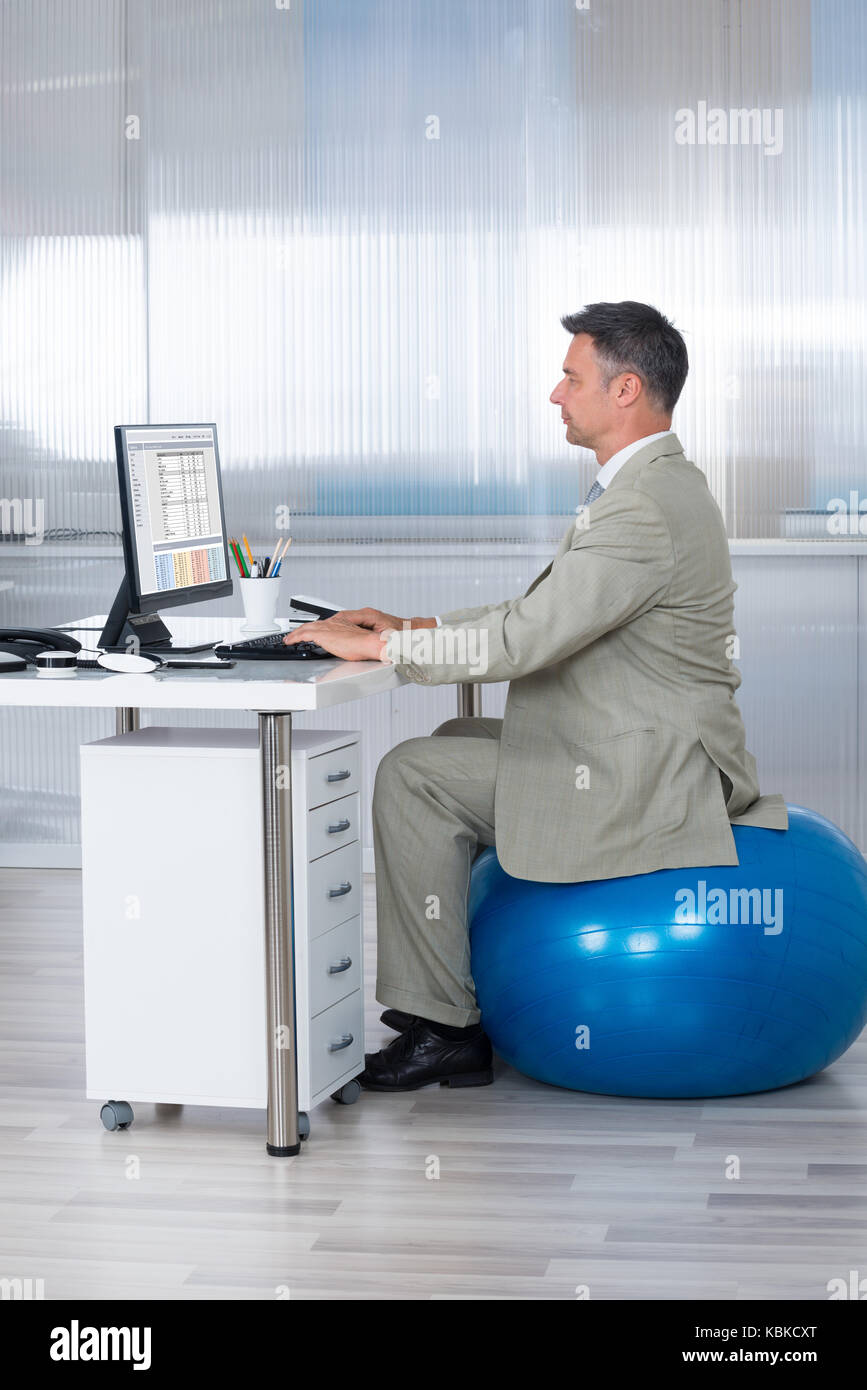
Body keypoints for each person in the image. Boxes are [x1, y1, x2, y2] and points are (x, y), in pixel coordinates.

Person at [283, 300, 787, 1093]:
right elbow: (538, 616)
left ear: (625, 390)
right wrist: (410, 623)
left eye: (569, 376)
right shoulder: (648, 484)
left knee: (414, 774)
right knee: (456, 733)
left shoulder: (642, 507)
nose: (555, 394)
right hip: (640, 742)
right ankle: (461, 983)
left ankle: (443, 1025)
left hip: (651, 777)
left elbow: (524, 640)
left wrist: (384, 649)